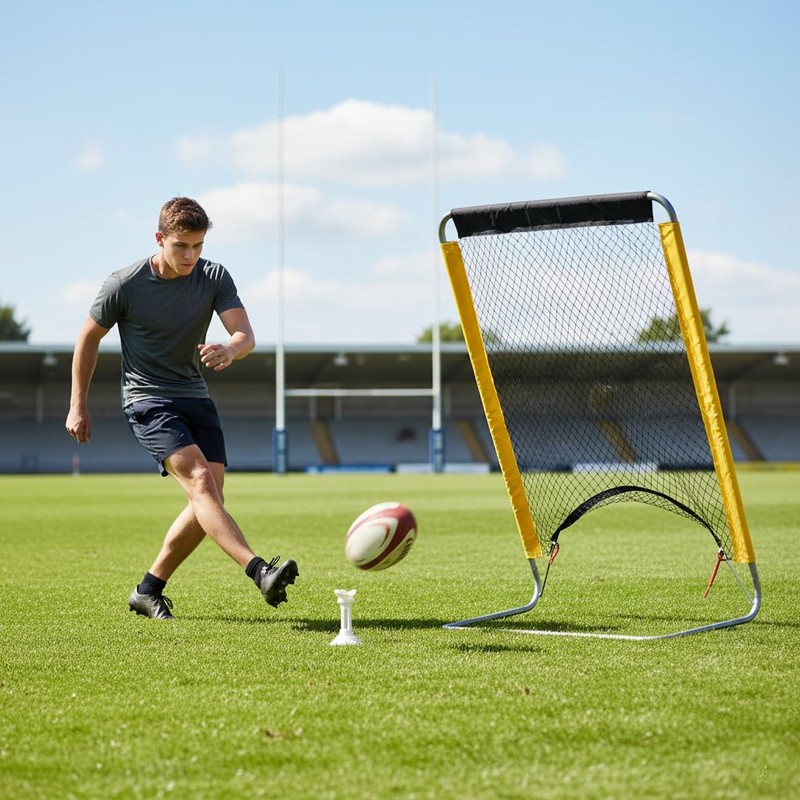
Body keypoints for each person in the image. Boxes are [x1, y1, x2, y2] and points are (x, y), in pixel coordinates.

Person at [65, 197, 298, 620]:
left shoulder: (213, 276)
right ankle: (259, 570)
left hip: (195, 395)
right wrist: (77, 404)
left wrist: (230, 348)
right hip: (148, 399)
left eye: (198, 246)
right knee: (200, 483)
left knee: (209, 497)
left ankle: (148, 589)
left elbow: (245, 334)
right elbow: (87, 339)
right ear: (160, 239)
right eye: (181, 246)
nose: (190, 255)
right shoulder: (124, 284)